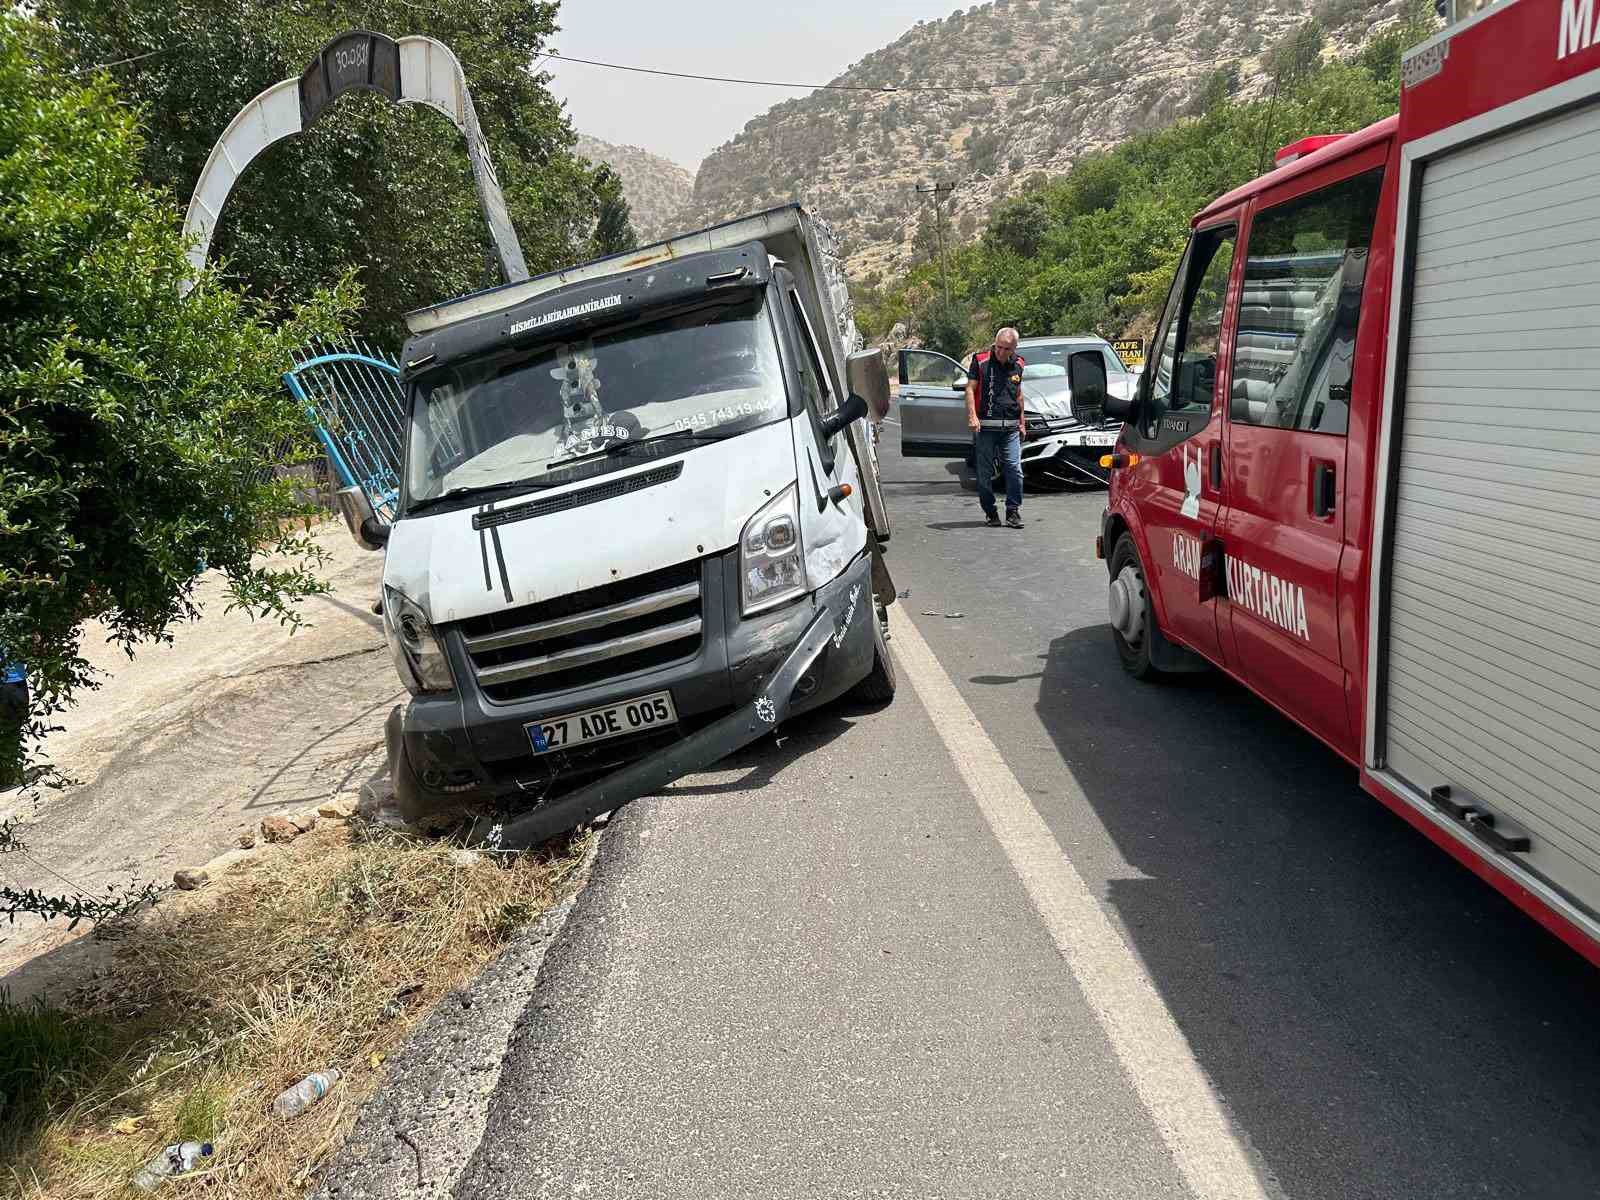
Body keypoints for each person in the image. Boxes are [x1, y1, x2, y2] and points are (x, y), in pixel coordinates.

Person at [965, 327, 1028, 529]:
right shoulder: (981, 360)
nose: (1000, 352)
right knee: (984, 474)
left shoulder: (1019, 364)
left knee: (1014, 469)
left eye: (1006, 348)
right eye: (998, 347)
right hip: (985, 429)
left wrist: (1022, 422)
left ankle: (1013, 511)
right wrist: (972, 416)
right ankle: (990, 511)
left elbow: (1018, 394)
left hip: (1010, 428)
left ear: (1014, 349)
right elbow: (969, 389)